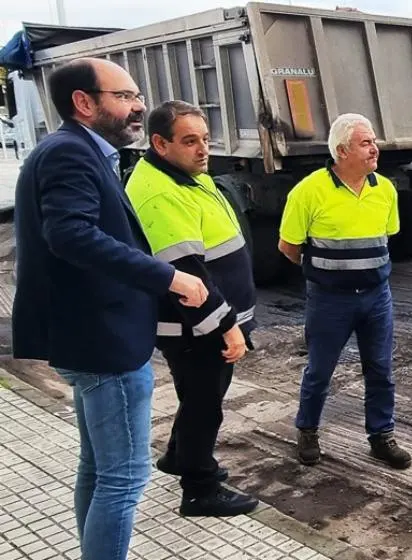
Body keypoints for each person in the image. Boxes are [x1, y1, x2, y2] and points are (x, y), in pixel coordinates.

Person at [12, 58, 209, 560]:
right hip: (104, 343)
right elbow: (71, 234)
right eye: (124, 96)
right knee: (123, 478)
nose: (139, 105)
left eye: (136, 95)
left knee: (98, 471)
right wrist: (168, 275)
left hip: (90, 338)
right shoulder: (69, 155)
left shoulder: (78, 152)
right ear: (85, 103)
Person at [125, 100, 259, 517]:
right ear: (159, 143)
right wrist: (227, 327)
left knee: (198, 395)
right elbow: (186, 273)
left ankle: (178, 455)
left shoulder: (181, 175)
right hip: (195, 329)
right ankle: (200, 489)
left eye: (204, 139)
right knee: (205, 403)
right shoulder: (160, 193)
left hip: (201, 326)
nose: (203, 150)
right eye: (190, 141)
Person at [278, 113, 412, 470]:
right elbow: (289, 247)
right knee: (320, 370)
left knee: (381, 369)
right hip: (329, 301)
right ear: (341, 151)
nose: (375, 149)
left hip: (376, 297)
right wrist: (325, 274)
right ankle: (307, 431)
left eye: (374, 142)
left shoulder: (384, 189)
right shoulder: (308, 191)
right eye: (366, 143)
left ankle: (381, 436)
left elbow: (388, 237)